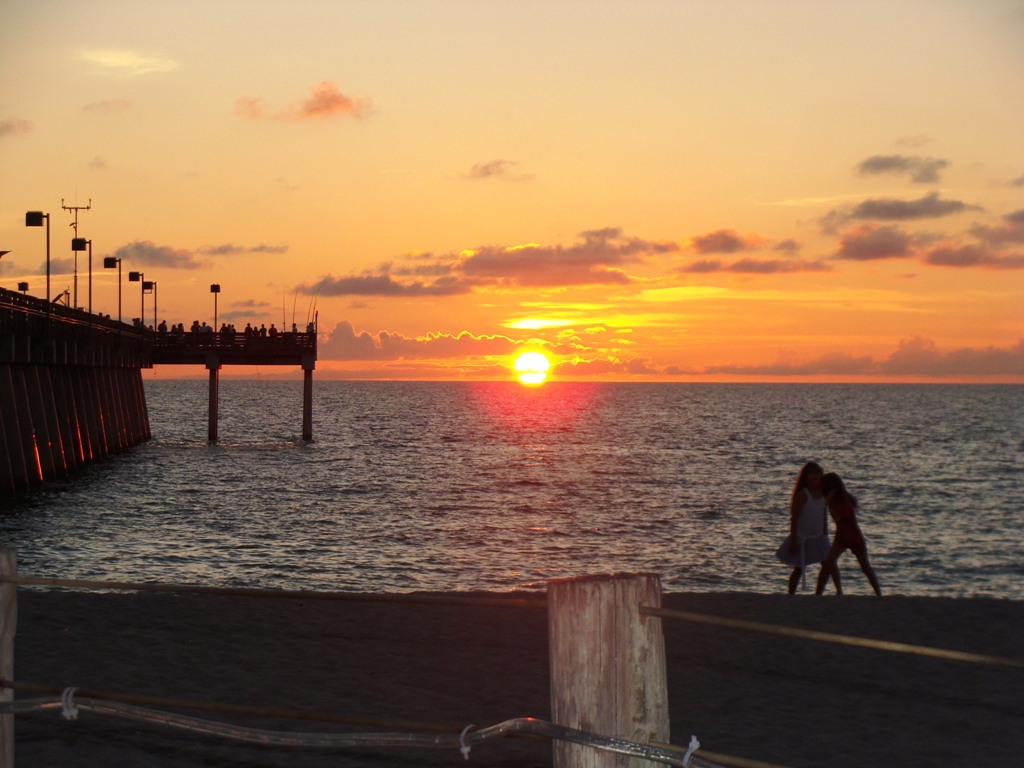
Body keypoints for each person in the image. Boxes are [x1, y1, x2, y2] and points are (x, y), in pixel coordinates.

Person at [815, 473, 882, 596]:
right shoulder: (842, 498)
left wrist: (828, 504)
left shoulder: (841, 500)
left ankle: (878, 593)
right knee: (830, 560)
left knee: (865, 566)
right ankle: (837, 591)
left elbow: (839, 520)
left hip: (852, 535)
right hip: (843, 534)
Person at [776, 461, 834, 594]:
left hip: (819, 536)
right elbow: (795, 518)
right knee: (799, 568)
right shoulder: (803, 494)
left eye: (818, 473)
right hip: (802, 537)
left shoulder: (823, 493)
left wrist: (825, 531)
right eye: (811, 473)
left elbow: (823, 512)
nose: (816, 476)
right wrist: (794, 539)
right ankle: (791, 594)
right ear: (805, 477)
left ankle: (818, 593)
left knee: (827, 564)